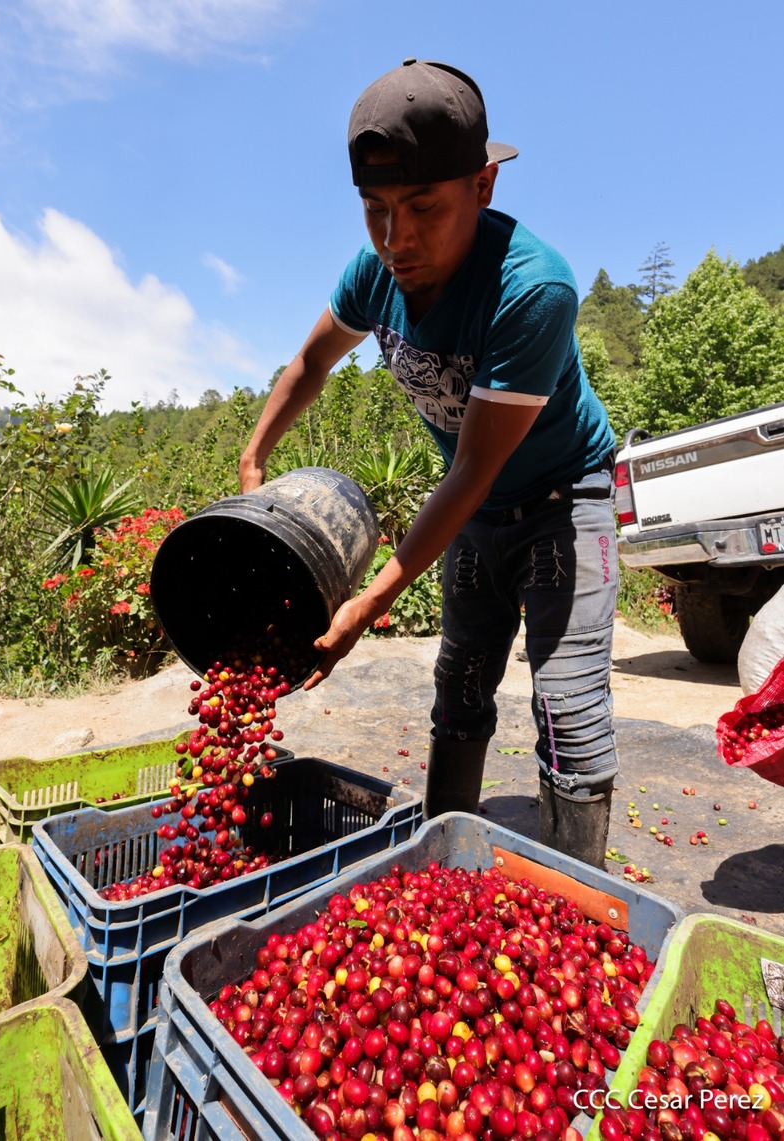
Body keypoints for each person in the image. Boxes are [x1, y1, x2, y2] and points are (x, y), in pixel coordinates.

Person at [239, 58, 619, 868]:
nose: (396, 239)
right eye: (375, 210)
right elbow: (311, 362)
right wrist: (253, 457)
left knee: (567, 703)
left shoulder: (532, 289)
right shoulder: (374, 273)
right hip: (475, 513)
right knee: (460, 684)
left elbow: (473, 468)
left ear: (481, 186)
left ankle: (583, 896)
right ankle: (442, 869)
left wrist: (367, 605)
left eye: (422, 207)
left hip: (564, 499)